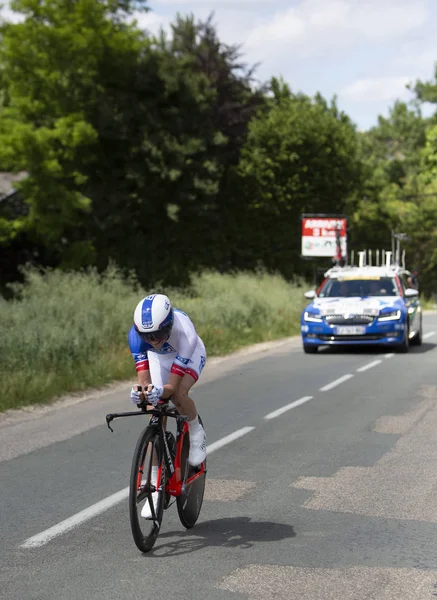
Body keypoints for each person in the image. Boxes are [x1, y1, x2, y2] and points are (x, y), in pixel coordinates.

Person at [128, 294, 207, 517]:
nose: (153, 340)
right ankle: (154, 486)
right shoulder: (136, 337)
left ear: (169, 325)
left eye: (159, 334)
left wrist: (163, 391)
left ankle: (196, 432)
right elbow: (144, 380)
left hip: (187, 355)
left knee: (178, 395)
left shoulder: (185, 334)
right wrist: (141, 393)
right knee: (154, 407)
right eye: (147, 336)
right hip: (160, 359)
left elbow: (171, 387)